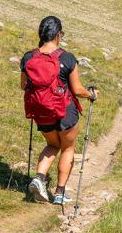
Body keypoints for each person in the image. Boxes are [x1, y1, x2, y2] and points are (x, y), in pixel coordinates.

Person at [20, 16, 96, 204]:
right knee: (67, 148)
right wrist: (91, 94)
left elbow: (24, 86)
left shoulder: (28, 58)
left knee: (52, 145)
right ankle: (60, 193)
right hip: (65, 113)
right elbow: (77, 90)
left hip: (41, 112)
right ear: (58, 35)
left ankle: (39, 179)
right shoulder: (67, 58)